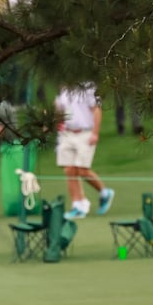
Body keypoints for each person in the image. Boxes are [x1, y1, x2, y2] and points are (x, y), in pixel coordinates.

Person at [54, 82, 114, 220]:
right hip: (67, 133)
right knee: (69, 170)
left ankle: (104, 192)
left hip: (85, 133)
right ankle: (78, 205)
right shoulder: (63, 87)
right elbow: (60, 110)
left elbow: (96, 110)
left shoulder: (88, 87)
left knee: (82, 170)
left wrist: (95, 133)